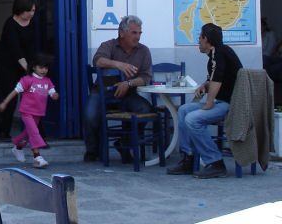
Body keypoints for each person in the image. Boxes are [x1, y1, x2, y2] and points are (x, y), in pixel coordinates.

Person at [167, 23, 243, 179]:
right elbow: (214, 79)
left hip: (229, 105)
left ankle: (216, 162)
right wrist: (204, 85)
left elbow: (218, 79)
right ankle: (188, 158)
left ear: (206, 39)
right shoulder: (218, 53)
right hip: (221, 102)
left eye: (200, 38)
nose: (198, 41)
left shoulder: (218, 53)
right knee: (183, 110)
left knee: (192, 119)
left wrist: (209, 102)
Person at [83, 15, 153, 163]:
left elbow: (146, 77)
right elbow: (97, 61)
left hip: (128, 94)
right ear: (122, 33)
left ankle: (124, 143)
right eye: (134, 33)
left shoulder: (144, 51)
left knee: (145, 109)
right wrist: (118, 64)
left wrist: (128, 83)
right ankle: (92, 150)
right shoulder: (108, 45)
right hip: (103, 93)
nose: (138, 37)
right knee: (90, 115)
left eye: (139, 33)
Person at [0, 51, 59, 168]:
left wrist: (55, 95)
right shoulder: (27, 79)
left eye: (46, 68)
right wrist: (5, 102)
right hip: (26, 111)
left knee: (28, 133)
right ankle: (37, 157)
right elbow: (15, 91)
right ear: (34, 67)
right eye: (41, 67)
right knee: (34, 132)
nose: (43, 70)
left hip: (38, 113)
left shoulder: (47, 81)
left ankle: (18, 147)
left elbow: (52, 92)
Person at [0, 0, 36, 140]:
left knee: (33, 99)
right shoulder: (10, 24)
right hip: (8, 66)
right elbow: (15, 50)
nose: (31, 14)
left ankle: (37, 134)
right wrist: (28, 69)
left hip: (26, 64)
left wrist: (34, 67)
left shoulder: (32, 23)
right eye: (28, 11)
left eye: (33, 10)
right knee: (10, 99)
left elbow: (31, 47)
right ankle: (3, 131)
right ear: (20, 10)